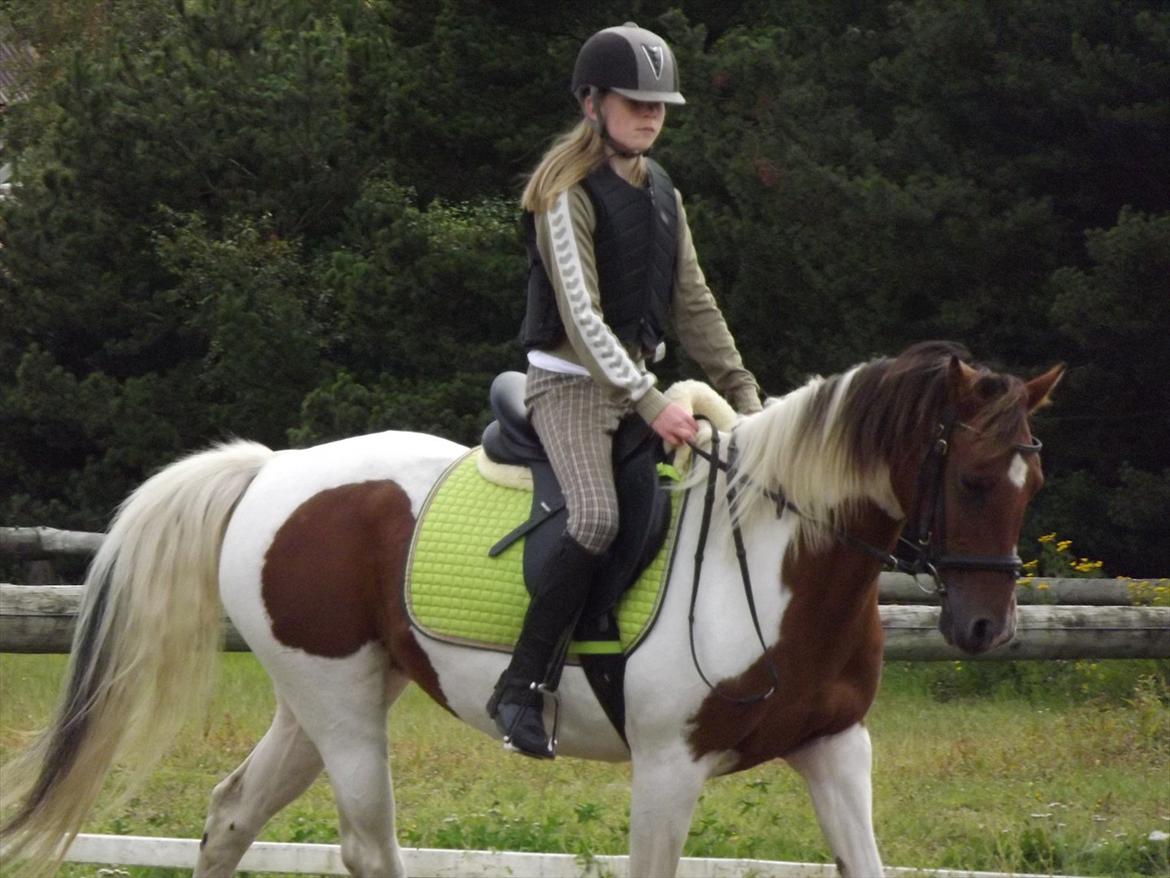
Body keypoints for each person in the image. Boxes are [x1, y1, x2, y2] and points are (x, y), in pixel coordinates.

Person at [486, 22, 763, 758]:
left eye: (660, 104)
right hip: (570, 390)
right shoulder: (561, 191)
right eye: (635, 101)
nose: (650, 115)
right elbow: (580, 319)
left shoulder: (664, 189)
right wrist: (652, 402)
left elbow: (695, 300)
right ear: (591, 101)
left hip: (638, 385)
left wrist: (746, 395)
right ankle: (521, 686)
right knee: (597, 520)